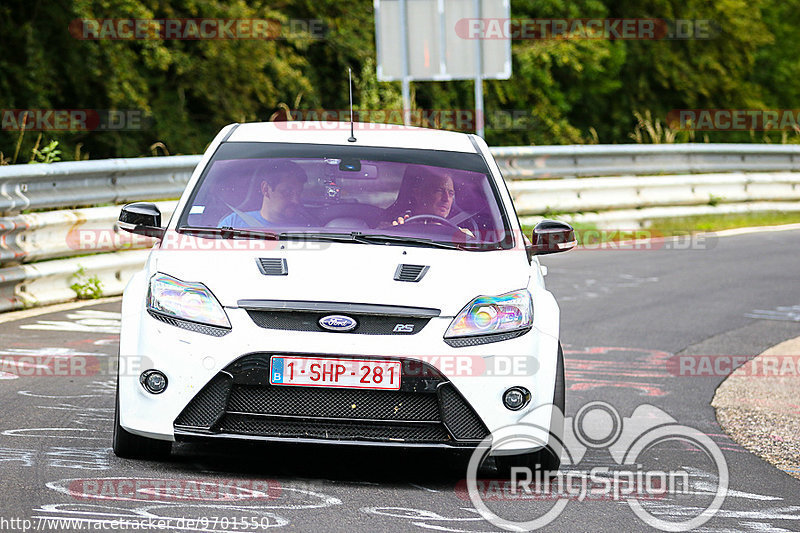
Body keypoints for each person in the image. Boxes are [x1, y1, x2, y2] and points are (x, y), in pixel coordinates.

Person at [217, 160, 313, 228]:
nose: (296, 200)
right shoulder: (233, 224)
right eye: (287, 192)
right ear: (265, 189)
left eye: (299, 193)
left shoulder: (309, 229)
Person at [385, 171, 474, 237]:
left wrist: (470, 241)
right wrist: (392, 232)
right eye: (438, 191)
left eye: (451, 194)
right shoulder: (397, 225)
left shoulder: (460, 235)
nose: (446, 199)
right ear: (418, 194)